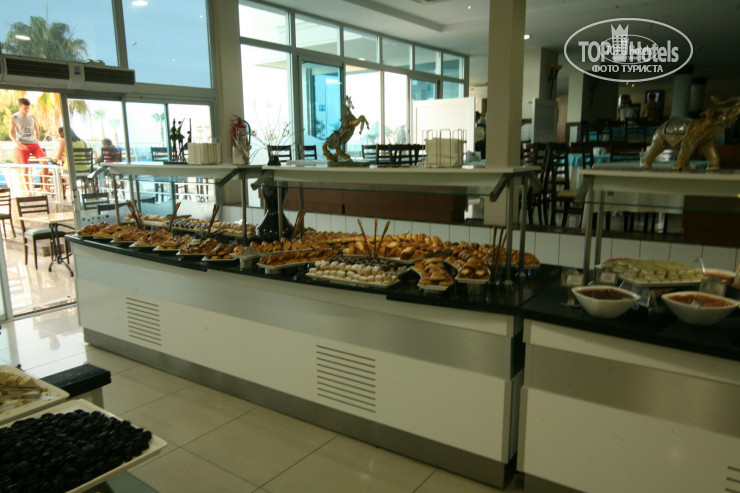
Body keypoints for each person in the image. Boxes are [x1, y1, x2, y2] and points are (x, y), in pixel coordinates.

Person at [9, 97, 46, 192]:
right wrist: (18, 144)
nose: (27, 110)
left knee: (44, 162)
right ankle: (28, 190)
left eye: (28, 108)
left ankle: (45, 187)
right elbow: (11, 133)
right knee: (25, 168)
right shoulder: (14, 117)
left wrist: (37, 140)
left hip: (34, 144)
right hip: (23, 145)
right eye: (25, 108)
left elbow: (36, 130)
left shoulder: (32, 117)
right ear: (19, 106)